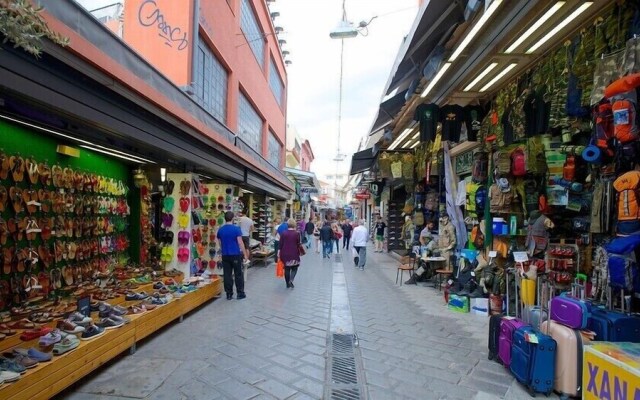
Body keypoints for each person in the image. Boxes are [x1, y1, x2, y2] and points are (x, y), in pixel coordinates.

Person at [217, 211, 250, 300]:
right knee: (238, 274)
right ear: (232, 218)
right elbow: (240, 242)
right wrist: (245, 254)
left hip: (225, 255)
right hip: (235, 254)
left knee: (227, 274)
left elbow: (220, 243)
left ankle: (229, 294)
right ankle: (240, 293)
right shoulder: (236, 229)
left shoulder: (220, 230)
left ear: (225, 218)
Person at [278, 218, 302, 289]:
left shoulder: (283, 233)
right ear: (294, 224)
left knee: (287, 268)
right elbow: (298, 244)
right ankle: (291, 280)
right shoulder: (297, 233)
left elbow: (280, 244)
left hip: (284, 253)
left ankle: (287, 284)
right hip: (294, 253)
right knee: (295, 267)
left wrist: (278, 253)